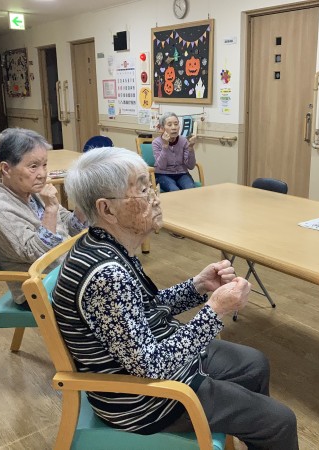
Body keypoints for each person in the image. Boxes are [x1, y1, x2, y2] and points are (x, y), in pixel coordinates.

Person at [53, 147, 298, 449]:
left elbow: (147, 308)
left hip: (154, 366)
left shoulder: (106, 245)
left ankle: (248, 428)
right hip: (144, 401)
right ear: (107, 210)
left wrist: (198, 285)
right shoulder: (107, 275)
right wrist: (214, 310)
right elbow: (151, 366)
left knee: (254, 364)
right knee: (280, 422)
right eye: (143, 190)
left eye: (151, 186)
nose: (156, 198)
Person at [0, 128, 86, 308]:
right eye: (33, 166)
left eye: (44, 165)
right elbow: (36, 253)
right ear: (6, 169)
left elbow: (70, 226)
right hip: (38, 288)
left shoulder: (32, 192)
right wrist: (50, 209)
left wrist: (83, 200)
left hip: (65, 272)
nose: (42, 174)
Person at [152, 112, 197, 191]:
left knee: (190, 189)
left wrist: (190, 148)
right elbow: (162, 166)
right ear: (162, 128)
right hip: (163, 174)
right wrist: (165, 146)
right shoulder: (156, 142)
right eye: (169, 125)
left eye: (176, 124)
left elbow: (191, 166)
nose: (174, 128)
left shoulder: (183, 141)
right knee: (174, 190)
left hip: (182, 174)